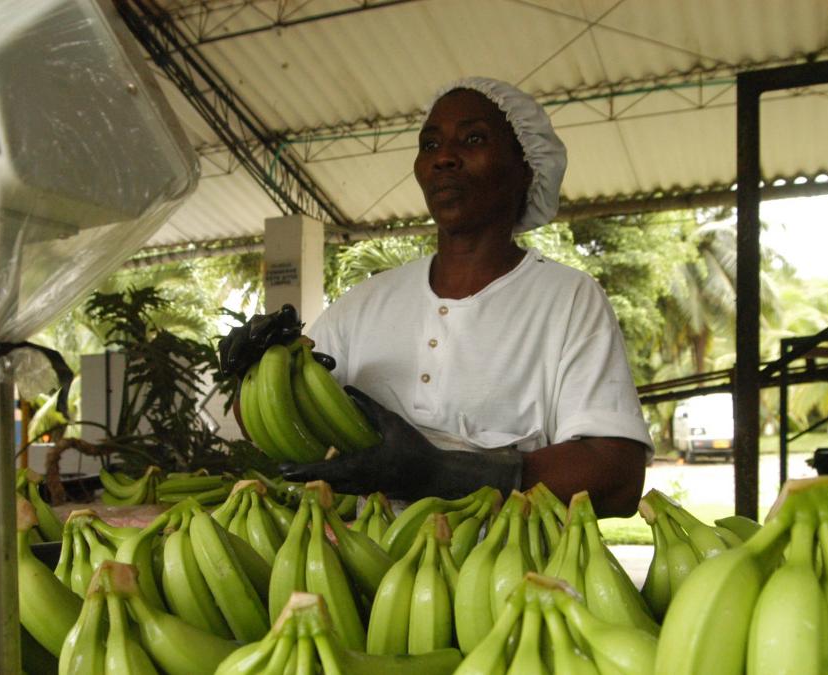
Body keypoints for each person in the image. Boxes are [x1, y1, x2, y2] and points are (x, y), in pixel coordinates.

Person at [231, 77, 651, 517]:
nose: (444, 159)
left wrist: (443, 473)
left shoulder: (566, 300)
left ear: (526, 166)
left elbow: (617, 478)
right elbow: (278, 424)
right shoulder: (364, 303)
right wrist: (253, 374)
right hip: (365, 576)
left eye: (473, 139)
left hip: (512, 577)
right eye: (429, 145)